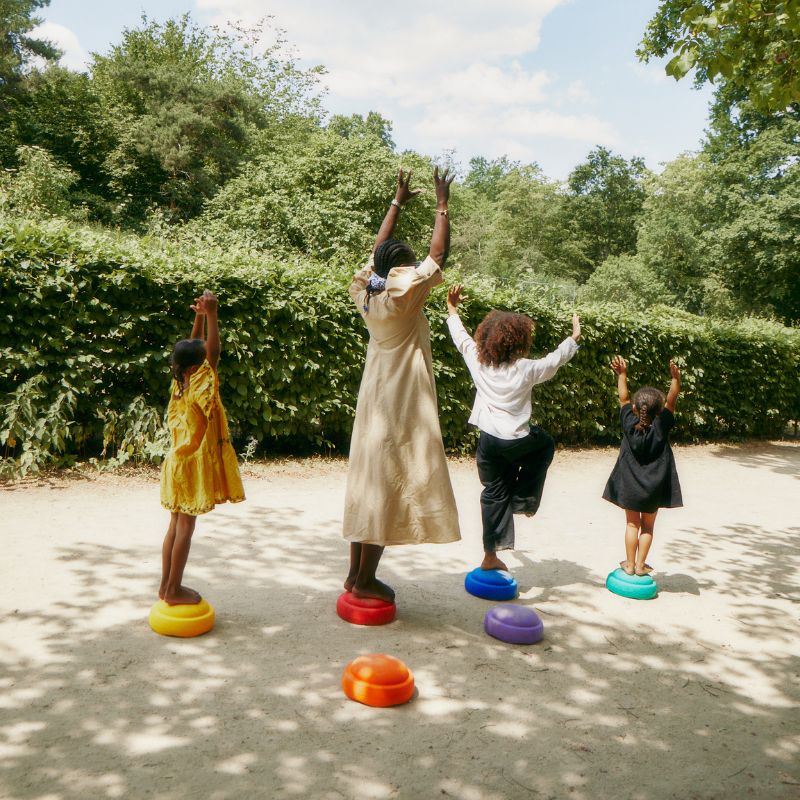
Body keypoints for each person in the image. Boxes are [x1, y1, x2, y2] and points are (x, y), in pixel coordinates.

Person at [342, 167, 461, 603]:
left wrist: (395, 202)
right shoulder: (402, 295)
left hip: (374, 396)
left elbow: (376, 253)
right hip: (399, 400)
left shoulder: (366, 290)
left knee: (369, 479)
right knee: (388, 485)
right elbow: (438, 255)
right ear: (402, 271)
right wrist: (442, 203)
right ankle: (366, 579)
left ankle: (354, 575)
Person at [446, 285, 581, 571]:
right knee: (544, 445)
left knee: (494, 493)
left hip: (489, 442)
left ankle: (490, 555)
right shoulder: (526, 369)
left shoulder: (477, 360)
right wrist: (573, 338)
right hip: (518, 440)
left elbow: (460, 338)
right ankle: (523, 500)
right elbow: (555, 360)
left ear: (486, 337)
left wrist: (452, 308)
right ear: (519, 340)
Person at [159, 290, 245, 604]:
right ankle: (173, 590)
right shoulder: (201, 383)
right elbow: (213, 353)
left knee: (173, 527)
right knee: (185, 530)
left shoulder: (179, 380)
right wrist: (212, 314)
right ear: (198, 366)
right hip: (191, 464)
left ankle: (165, 586)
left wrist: (197, 317)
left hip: (175, 463)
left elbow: (192, 348)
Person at [603, 356, 683, 576]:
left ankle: (628, 564)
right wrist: (675, 380)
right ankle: (640, 566)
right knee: (647, 527)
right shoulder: (661, 427)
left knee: (631, 525)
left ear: (636, 408)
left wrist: (622, 374)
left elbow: (623, 398)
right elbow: (672, 401)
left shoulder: (629, 423)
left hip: (630, 485)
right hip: (654, 488)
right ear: (659, 412)